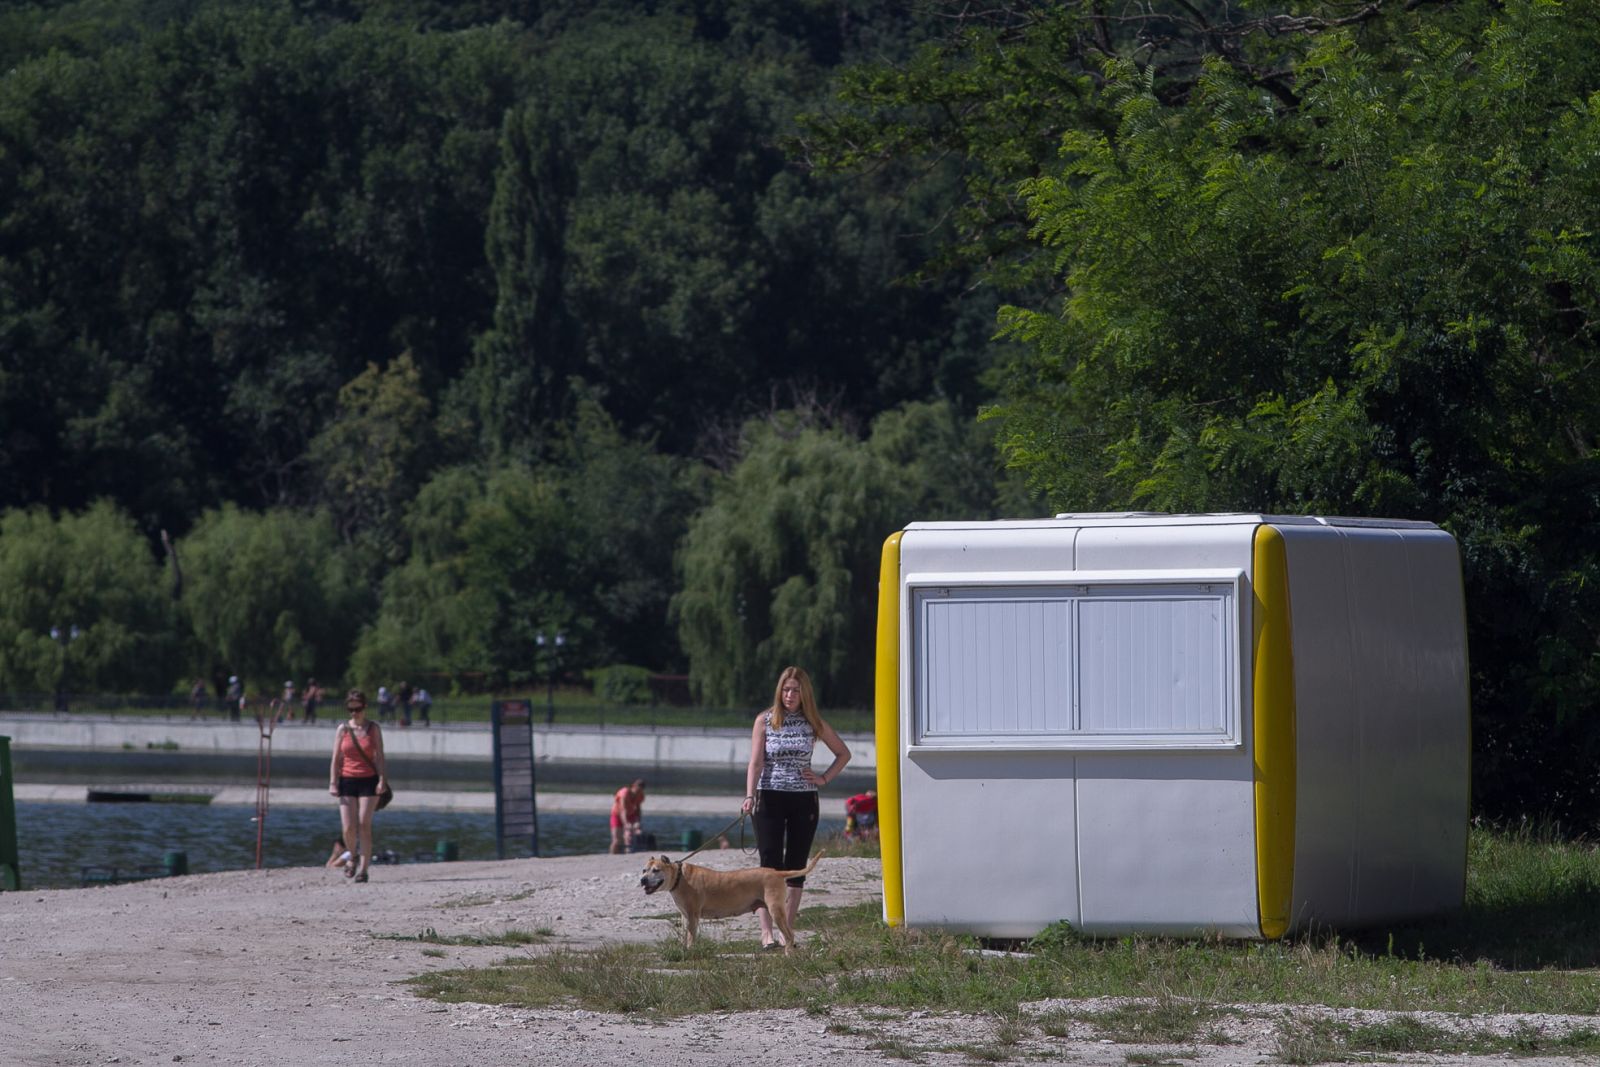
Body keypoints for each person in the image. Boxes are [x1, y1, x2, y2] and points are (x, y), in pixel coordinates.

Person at [742, 665, 850, 950]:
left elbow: (843, 753)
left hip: (803, 798)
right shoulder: (765, 720)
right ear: (779, 691)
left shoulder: (813, 722)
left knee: (796, 866)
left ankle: (786, 932)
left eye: (796, 690)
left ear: (805, 694)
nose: (789, 695)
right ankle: (766, 933)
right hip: (769, 796)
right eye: (786, 689)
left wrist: (824, 778)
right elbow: (755, 762)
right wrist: (749, 795)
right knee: (768, 866)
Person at [328, 689, 387, 884]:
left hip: (368, 780)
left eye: (358, 709)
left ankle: (363, 869)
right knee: (348, 827)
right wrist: (333, 782)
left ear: (365, 707)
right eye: (351, 709)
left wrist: (381, 780)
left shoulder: (373, 729)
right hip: (347, 779)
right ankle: (352, 856)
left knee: (364, 824)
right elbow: (336, 758)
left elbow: (379, 756)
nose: (354, 713)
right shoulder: (343, 729)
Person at [610, 778, 646, 854]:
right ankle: (612, 855)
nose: (638, 790)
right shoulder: (624, 792)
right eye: (638, 787)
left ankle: (628, 854)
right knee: (617, 840)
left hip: (630, 814)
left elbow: (638, 810)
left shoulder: (640, 795)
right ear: (633, 786)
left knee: (630, 836)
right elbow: (623, 810)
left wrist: (638, 822)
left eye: (641, 788)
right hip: (617, 814)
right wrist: (626, 824)